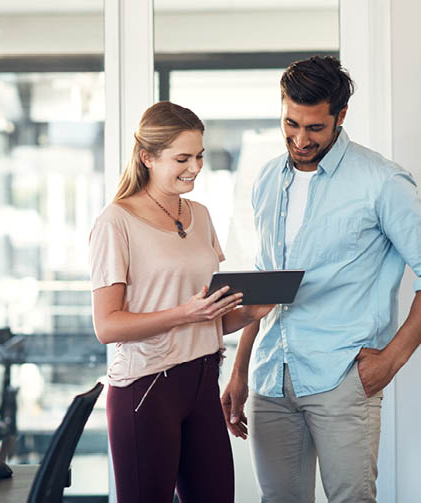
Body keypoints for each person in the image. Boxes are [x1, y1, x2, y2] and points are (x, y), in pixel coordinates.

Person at [220, 56, 421, 503]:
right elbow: (264, 280)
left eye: (314, 127)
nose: (300, 138)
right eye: (291, 123)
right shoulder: (268, 179)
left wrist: (391, 360)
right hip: (271, 376)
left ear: (341, 117)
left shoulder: (381, 181)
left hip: (342, 378)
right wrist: (238, 371)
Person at [89, 101, 272, 503]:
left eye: (200, 156)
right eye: (182, 158)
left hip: (203, 381)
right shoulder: (115, 222)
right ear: (147, 157)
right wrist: (183, 313)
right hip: (147, 388)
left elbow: (208, 320)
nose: (195, 167)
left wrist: (250, 313)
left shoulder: (201, 216)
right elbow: (108, 327)